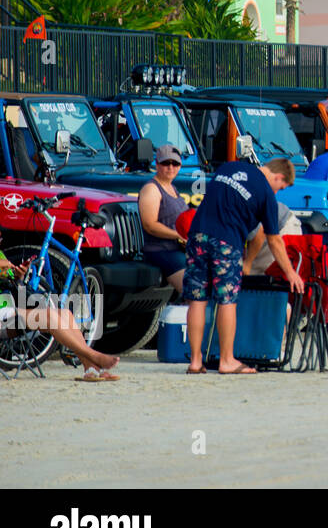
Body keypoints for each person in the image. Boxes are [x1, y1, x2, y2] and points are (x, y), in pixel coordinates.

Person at [184, 158, 304, 374]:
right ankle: (227, 360)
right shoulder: (266, 193)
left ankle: (195, 361)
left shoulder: (228, 167)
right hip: (226, 242)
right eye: (281, 187)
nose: (278, 192)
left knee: (197, 299)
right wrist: (290, 273)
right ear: (279, 177)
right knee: (227, 300)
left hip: (197, 235)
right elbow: (274, 239)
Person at [1, 253, 122, 381]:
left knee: (65, 314)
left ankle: (90, 367)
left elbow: (11, 280)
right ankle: (93, 355)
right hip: (4, 316)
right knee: (49, 316)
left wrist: (18, 275)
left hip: (9, 312)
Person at [137, 144, 189, 294]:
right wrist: (178, 236)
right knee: (195, 292)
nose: (170, 167)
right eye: (166, 163)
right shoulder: (152, 189)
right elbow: (149, 224)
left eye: (175, 163)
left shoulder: (173, 188)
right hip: (160, 251)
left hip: (178, 249)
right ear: (157, 164)